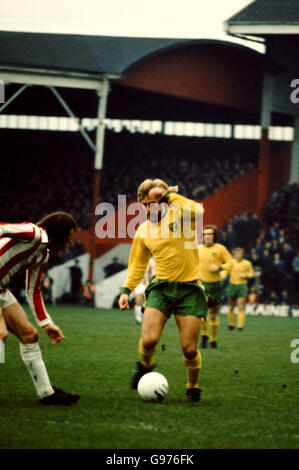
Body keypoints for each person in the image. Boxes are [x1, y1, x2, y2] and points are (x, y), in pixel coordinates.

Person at [118, 178, 207, 402]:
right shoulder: (143, 230)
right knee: (148, 341)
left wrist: (168, 195)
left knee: (189, 349)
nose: (149, 209)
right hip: (161, 288)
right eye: (145, 205)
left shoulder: (181, 217)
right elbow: (137, 264)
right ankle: (145, 366)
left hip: (189, 290)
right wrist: (126, 290)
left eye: (154, 203)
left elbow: (199, 209)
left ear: (163, 202)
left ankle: (193, 385)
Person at [0, 211, 80, 405]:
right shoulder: (33, 233)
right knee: (0, 334)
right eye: (69, 237)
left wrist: (47, 324)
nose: (70, 242)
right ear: (58, 233)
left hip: (1, 290)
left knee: (29, 335)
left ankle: (46, 393)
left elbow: (33, 290)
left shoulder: (42, 254)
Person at [198, 225, 233, 348]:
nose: (207, 236)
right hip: (202, 285)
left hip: (216, 286)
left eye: (210, 234)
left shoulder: (220, 249)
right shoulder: (198, 249)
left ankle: (213, 339)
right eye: (205, 234)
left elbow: (230, 263)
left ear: (214, 236)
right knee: (202, 312)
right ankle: (204, 336)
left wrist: (220, 269)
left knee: (213, 314)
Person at [227, 247, 255, 331]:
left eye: (240, 253)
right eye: (237, 253)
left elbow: (252, 274)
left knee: (241, 306)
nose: (239, 255)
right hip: (232, 285)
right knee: (231, 306)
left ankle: (240, 326)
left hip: (242, 286)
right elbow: (225, 271)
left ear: (242, 254)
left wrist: (245, 275)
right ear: (234, 254)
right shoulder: (231, 262)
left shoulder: (247, 263)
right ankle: (231, 324)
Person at [133, 257, 155, 324]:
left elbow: (154, 275)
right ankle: (138, 318)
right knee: (138, 301)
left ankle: (149, 318)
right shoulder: (137, 262)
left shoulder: (152, 263)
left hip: (149, 284)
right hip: (139, 285)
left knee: (149, 303)